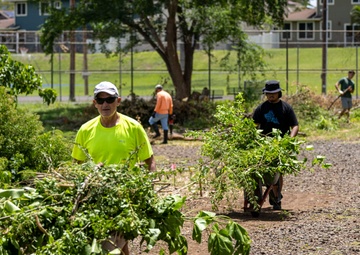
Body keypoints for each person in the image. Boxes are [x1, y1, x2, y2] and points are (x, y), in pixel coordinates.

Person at [72, 81, 156, 255]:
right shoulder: (85, 130)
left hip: (125, 195)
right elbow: (76, 165)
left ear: (118, 101)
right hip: (94, 195)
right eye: (100, 100)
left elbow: (149, 160)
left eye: (109, 100)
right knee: (111, 240)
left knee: (113, 240)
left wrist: (149, 189)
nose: (105, 104)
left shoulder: (133, 127)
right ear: (94, 103)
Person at [252, 80, 299, 210]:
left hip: (280, 144)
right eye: (268, 94)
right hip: (263, 144)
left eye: (273, 93)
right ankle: (259, 196)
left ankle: (276, 196)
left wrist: (289, 140)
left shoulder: (286, 108)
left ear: (279, 93)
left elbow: (294, 125)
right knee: (257, 170)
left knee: (277, 172)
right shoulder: (261, 108)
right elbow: (253, 125)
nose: (270, 96)